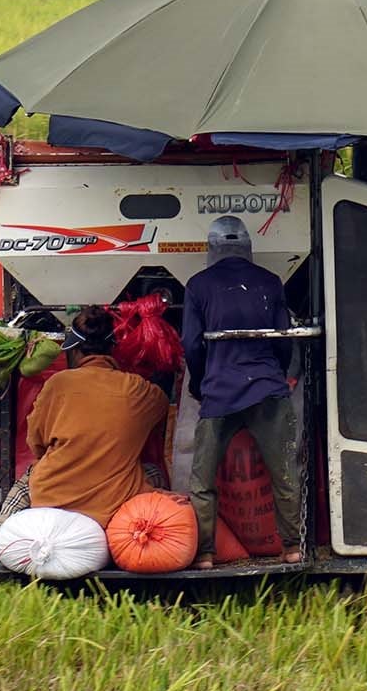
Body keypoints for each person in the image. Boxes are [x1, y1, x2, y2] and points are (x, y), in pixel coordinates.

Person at [181, 215, 304, 566]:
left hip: (219, 392)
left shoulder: (198, 285)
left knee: (203, 481)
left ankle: (205, 554)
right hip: (267, 390)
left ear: (212, 248)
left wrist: (201, 381)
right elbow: (284, 341)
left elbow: (191, 343)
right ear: (248, 247)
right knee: (284, 473)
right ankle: (292, 547)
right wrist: (275, 377)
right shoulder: (270, 282)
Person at [24, 308, 168, 530]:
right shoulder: (138, 389)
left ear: (74, 351)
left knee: (28, 477)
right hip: (113, 512)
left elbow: (35, 444)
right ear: (112, 349)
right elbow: (162, 410)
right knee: (154, 473)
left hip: (52, 503)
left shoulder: (57, 384)